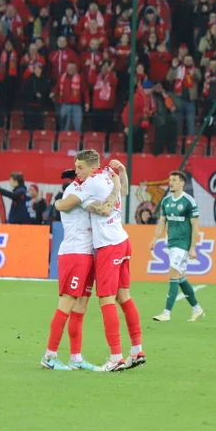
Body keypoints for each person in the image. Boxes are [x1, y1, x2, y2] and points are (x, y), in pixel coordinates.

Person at [54, 151, 145, 372]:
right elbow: (123, 190)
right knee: (124, 296)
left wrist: (57, 203)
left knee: (106, 299)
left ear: (93, 168)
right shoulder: (108, 173)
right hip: (123, 240)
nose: (77, 172)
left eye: (81, 168)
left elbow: (103, 209)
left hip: (108, 246)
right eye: (76, 167)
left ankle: (116, 357)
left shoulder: (90, 184)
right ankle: (136, 350)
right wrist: (121, 174)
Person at [41, 168, 115, 371]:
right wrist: (115, 188)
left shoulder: (85, 191)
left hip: (87, 253)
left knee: (81, 306)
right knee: (67, 303)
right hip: (75, 253)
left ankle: (76, 357)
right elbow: (105, 210)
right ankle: (50, 355)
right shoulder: (75, 194)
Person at [150, 170, 205, 322]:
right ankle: (197, 309)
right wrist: (154, 239)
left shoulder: (189, 201)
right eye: (170, 179)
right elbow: (162, 222)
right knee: (180, 278)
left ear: (182, 183)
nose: (171, 182)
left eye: (174, 180)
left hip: (183, 244)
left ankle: (166, 313)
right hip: (171, 243)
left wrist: (193, 248)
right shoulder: (166, 201)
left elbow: (195, 227)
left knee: (173, 274)